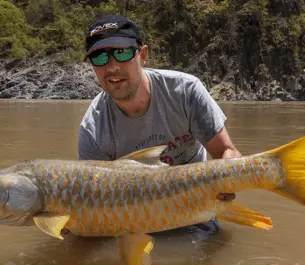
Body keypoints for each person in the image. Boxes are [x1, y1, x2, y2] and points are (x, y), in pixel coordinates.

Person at [77, 14, 243, 237]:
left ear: (143, 54)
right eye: (99, 58)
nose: (112, 67)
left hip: (195, 207)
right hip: (132, 216)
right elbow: (95, 201)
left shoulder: (186, 92)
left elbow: (226, 150)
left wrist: (229, 172)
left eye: (122, 52)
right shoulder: (92, 130)